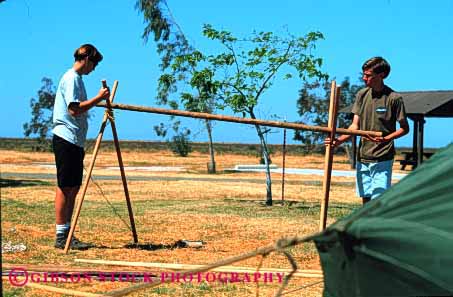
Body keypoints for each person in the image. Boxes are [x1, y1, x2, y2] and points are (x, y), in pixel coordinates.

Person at [326, 56, 409, 204]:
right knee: (365, 198)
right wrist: (337, 141)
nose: (364, 78)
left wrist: (386, 138)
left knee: (378, 200)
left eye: (368, 75)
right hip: (363, 156)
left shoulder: (394, 98)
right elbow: (354, 127)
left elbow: (404, 128)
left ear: (381, 75)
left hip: (382, 157)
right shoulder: (361, 95)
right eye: (363, 74)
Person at [52, 44, 110, 249]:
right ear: (86, 59)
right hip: (65, 138)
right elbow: (74, 110)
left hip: (75, 140)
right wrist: (99, 98)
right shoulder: (71, 79)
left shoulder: (78, 80)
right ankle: (61, 235)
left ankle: (67, 233)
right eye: (93, 63)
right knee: (65, 186)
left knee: (74, 187)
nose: (93, 68)